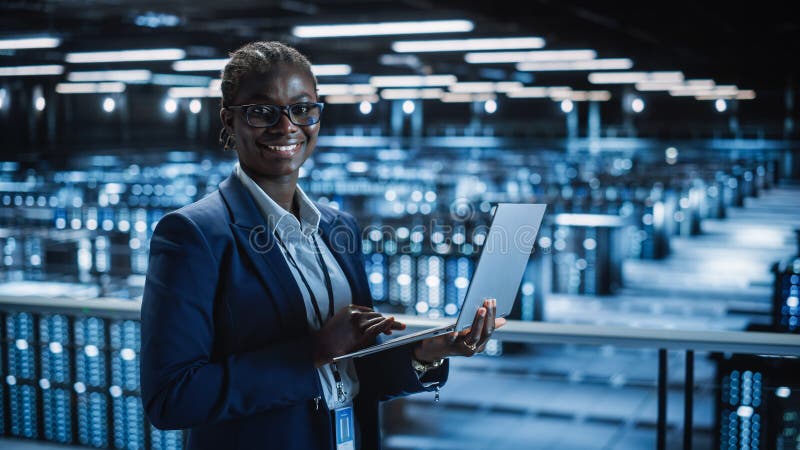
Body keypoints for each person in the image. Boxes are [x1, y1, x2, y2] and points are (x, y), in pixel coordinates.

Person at [140, 41, 504, 450]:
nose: (286, 126)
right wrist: (311, 352)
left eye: (302, 108)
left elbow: (354, 372)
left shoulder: (338, 228)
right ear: (229, 120)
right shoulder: (193, 234)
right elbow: (170, 399)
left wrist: (426, 353)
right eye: (262, 111)